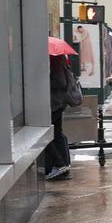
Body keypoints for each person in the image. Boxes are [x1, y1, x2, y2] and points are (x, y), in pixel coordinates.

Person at [44, 53, 76, 181]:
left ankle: (60, 163)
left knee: (46, 136)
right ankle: (64, 167)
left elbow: (60, 82)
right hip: (57, 103)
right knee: (57, 134)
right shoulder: (59, 61)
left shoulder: (55, 62)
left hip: (55, 104)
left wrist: (45, 80)